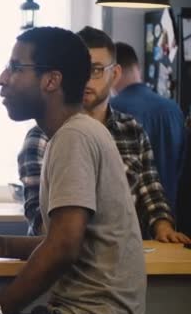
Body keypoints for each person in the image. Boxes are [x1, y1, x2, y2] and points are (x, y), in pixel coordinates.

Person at [0, 26, 146, 314]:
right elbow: (68, 240)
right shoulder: (70, 134)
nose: (2, 78)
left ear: (51, 80)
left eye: (15, 67)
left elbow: (63, 248)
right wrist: (1, 244)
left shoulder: (74, 136)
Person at [17, 27, 189, 243]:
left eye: (96, 69)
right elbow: (37, 213)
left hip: (123, 258)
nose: (86, 78)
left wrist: (163, 228)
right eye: (79, 69)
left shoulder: (132, 129)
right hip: (62, 262)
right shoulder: (42, 136)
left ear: (115, 74)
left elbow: (150, 191)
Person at [111, 41, 186, 214]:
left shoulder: (113, 110)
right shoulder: (173, 109)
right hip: (170, 215)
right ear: (138, 67)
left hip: (130, 216)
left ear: (114, 72)